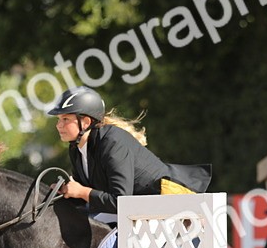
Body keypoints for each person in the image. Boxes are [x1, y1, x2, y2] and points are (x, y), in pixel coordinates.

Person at [48, 86, 211, 218]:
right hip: (137, 213)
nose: (58, 125)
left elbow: (121, 202)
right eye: (58, 120)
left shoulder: (112, 142)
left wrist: (82, 192)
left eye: (65, 119)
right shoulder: (76, 148)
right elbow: (89, 198)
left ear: (85, 122)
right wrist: (66, 192)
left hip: (173, 209)